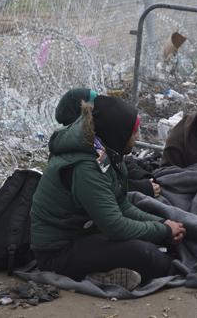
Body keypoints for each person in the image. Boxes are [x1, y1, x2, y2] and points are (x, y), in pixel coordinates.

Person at [31, 95, 185, 289]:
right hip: (58, 253)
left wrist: (162, 223)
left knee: (165, 247)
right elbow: (115, 226)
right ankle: (94, 275)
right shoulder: (86, 167)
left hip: (84, 234)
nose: (138, 137)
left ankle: (101, 272)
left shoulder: (105, 152)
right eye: (134, 132)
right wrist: (162, 231)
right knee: (151, 258)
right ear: (118, 134)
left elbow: (122, 205)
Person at [54, 88, 161, 197]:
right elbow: (104, 184)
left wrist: (144, 176)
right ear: (82, 112)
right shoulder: (82, 147)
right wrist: (143, 187)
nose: (101, 109)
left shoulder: (94, 138)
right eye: (93, 106)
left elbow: (119, 164)